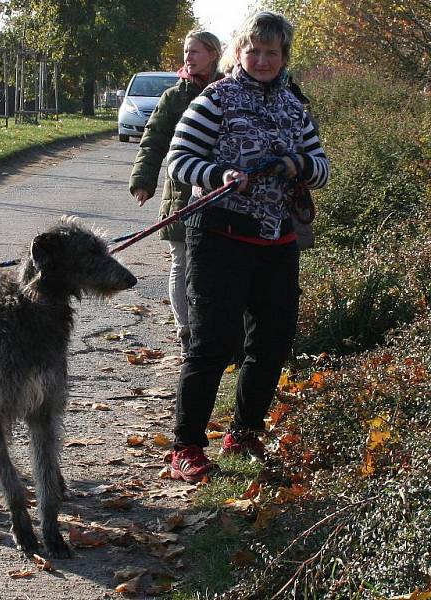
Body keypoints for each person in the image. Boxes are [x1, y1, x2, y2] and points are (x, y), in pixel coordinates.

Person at [164, 11, 330, 482]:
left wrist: (297, 164)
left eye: (271, 53)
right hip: (218, 235)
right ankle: (187, 447)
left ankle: (244, 430)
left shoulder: (295, 108)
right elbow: (179, 160)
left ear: (283, 57)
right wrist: (220, 175)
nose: (261, 60)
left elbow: (322, 167)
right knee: (213, 343)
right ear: (239, 53)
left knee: (273, 340)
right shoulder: (214, 99)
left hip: (277, 238)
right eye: (253, 51)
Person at [129, 30, 223, 359]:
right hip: (181, 192)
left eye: (195, 51)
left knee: (212, 264)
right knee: (180, 260)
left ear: (213, 54)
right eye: (186, 51)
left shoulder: (228, 91)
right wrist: (143, 180)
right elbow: (153, 140)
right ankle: (185, 330)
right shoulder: (173, 97)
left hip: (218, 191)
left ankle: (212, 328)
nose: (188, 57)